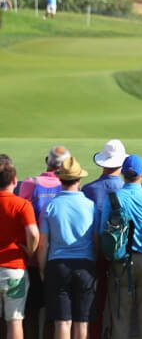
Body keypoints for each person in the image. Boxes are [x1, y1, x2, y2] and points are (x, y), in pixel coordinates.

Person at [100, 155, 142, 339]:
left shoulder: (112, 198)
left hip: (121, 261)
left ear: (122, 173)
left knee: (121, 316)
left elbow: (102, 232)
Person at [37, 157, 97, 339]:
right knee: (82, 321)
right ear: (79, 180)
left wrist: (42, 269)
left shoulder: (50, 206)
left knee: (62, 322)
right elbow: (96, 239)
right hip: (85, 265)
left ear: (60, 179)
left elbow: (43, 243)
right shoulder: (90, 206)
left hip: (58, 264)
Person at [19, 145, 71, 339]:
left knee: (31, 312)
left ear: (46, 161)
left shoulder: (30, 184)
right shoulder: (69, 186)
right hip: (59, 257)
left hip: (32, 256)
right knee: (55, 314)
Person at [82, 139, 126, 339]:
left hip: (95, 252)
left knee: (96, 303)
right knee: (119, 304)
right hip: (123, 253)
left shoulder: (89, 189)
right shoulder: (126, 188)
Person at [0, 154, 39, 339]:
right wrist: (30, 250)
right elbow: (33, 233)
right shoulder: (22, 205)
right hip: (14, 268)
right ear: (15, 180)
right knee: (14, 320)